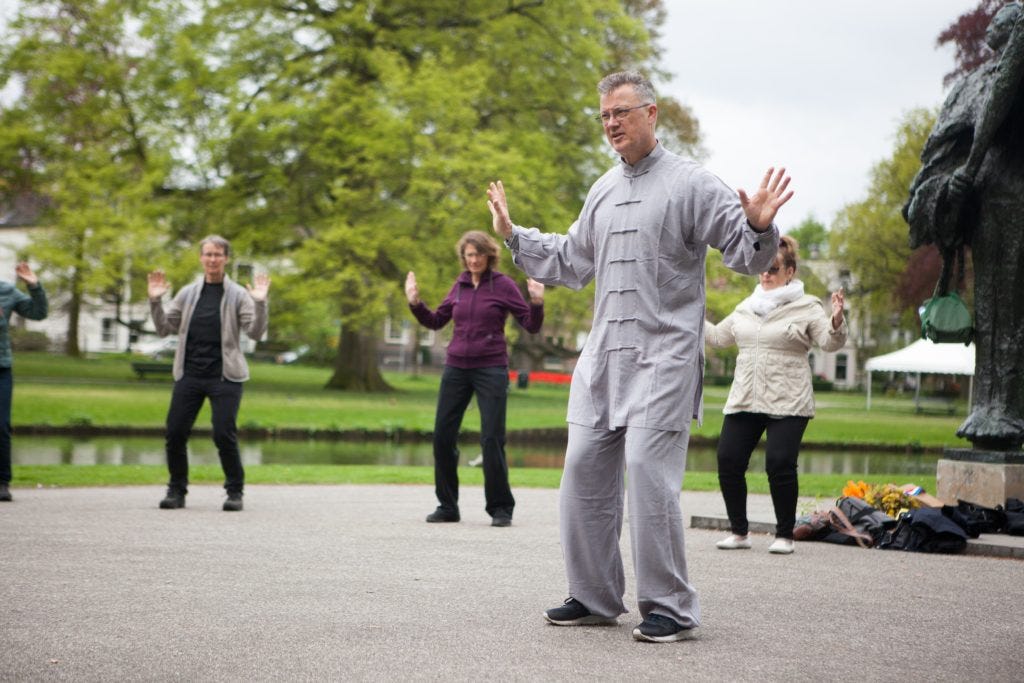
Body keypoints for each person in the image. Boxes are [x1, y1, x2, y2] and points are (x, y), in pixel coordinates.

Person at [486, 71, 791, 643]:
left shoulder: (694, 183)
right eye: (603, 116)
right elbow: (572, 261)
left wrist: (759, 225)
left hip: (665, 359)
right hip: (603, 359)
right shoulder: (601, 189)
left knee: (649, 475)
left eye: (621, 113)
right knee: (580, 473)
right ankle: (596, 596)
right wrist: (512, 234)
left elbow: (745, 255)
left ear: (652, 113)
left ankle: (669, 607)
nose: (611, 124)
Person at [905, 1, 1024, 450]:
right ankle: (994, 410)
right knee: (996, 315)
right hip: (989, 211)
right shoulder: (970, 87)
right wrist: (945, 190)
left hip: (1017, 202)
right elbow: (942, 154)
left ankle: (1005, 411)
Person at [704, 235, 847, 554]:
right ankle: (739, 533)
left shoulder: (807, 306)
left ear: (790, 271)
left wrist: (836, 319)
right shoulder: (745, 308)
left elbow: (829, 342)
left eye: (773, 267)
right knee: (728, 460)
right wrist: (690, 312)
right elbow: (716, 338)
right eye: (761, 268)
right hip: (746, 396)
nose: (766, 274)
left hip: (789, 399)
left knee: (779, 463)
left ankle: (784, 535)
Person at [405, 230, 544, 527]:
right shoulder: (460, 285)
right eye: (469, 255)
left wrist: (536, 302)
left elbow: (531, 326)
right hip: (456, 367)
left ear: (489, 255)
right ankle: (447, 506)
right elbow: (436, 320)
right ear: (463, 258)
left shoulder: (503, 286)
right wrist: (415, 303)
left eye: (478, 254)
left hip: (491, 367)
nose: (473, 260)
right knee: (442, 436)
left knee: (491, 438)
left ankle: (501, 508)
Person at [148, 235, 270, 511]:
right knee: (176, 432)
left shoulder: (238, 294)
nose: (212, 259)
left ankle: (234, 492)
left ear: (226, 259)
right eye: (208, 254)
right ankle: (176, 490)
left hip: (224, 376)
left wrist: (261, 303)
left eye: (218, 255)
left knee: (223, 433)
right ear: (201, 258)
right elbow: (164, 328)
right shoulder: (188, 293)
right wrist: (155, 302)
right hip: (189, 374)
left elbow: (256, 332)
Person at [0, 262, 48, 502]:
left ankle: (2, 482)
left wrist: (34, 286)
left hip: (1, 368)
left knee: (1, 426)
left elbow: (38, 312)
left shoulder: (6, 291)